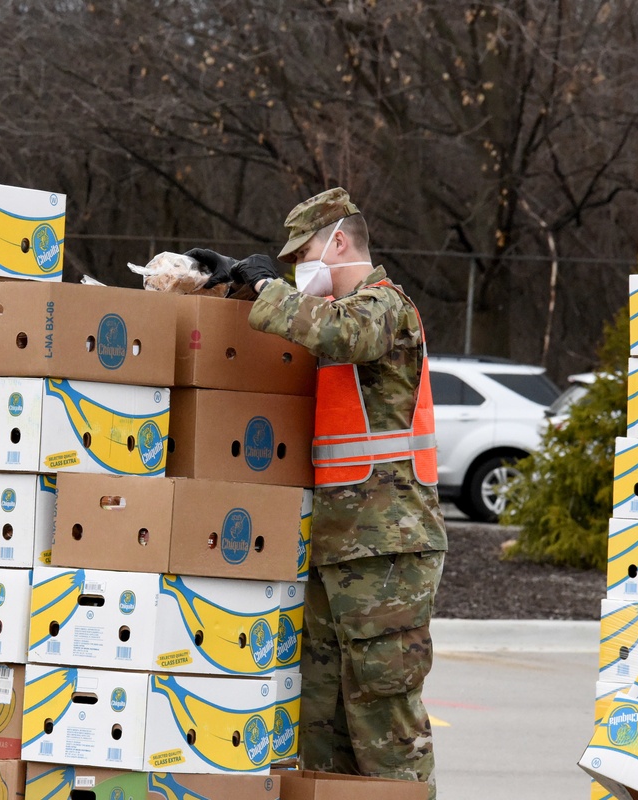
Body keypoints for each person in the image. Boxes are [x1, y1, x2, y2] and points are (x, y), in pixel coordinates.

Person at [187, 187, 448, 798]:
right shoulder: (333, 319)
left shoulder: (386, 308)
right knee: (324, 718)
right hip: (338, 549)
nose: (298, 270)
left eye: (303, 254)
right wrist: (235, 284)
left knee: (383, 717)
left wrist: (267, 289)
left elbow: (343, 334)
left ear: (337, 241)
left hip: (389, 552)